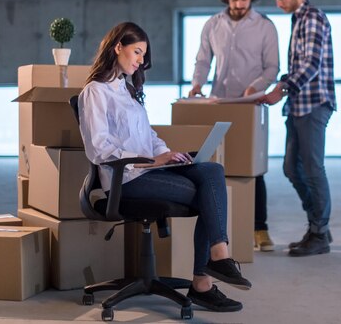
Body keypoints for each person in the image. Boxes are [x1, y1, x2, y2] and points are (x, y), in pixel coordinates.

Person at [78, 22, 251, 312]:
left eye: (143, 55)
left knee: (211, 171)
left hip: (149, 171)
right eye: (137, 52)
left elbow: (149, 137)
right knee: (207, 195)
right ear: (117, 47)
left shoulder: (128, 90)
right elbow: (98, 149)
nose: (141, 60)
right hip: (127, 180)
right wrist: (151, 160)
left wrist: (168, 153)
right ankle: (204, 281)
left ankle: (218, 257)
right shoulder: (95, 92)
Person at [188, 0, 280, 252]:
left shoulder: (265, 26)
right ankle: (223, 230)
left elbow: (272, 67)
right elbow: (203, 60)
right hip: (218, 102)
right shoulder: (213, 25)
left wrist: (255, 86)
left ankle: (260, 229)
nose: (239, 5)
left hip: (250, 105)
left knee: (253, 168)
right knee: (217, 167)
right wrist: (196, 85)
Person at [259, 0, 337, 257]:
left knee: (313, 169)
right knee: (292, 168)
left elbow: (311, 64)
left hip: (314, 103)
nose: (278, 4)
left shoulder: (312, 17)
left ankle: (319, 232)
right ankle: (318, 226)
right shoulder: (298, 19)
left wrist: (282, 87)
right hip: (298, 104)